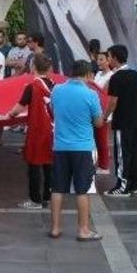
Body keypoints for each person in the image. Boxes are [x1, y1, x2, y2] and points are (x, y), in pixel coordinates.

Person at [48, 60, 104, 241]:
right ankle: (83, 230)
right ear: (88, 74)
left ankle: (55, 228)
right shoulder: (91, 94)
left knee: (57, 188)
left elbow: (53, 111)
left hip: (60, 146)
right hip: (83, 147)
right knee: (83, 189)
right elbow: (98, 122)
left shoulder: (56, 90)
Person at [7, 53, 55, 210]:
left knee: (34, 165)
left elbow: (16, 110)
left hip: (37, 130)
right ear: (48, 68)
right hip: (53, 130)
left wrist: (6, 116)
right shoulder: (54, 85)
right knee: (49, 164)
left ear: (33, 67)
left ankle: (35, 200)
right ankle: (49, 196)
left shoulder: (32, 87)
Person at [103, 45, 137, 197]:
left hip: (123, 121)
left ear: (114, 58)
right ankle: (134, 184)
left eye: (108, 57)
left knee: (122, 153)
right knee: (134, 152)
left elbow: (113, 102)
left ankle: (122, 186)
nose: (108, 60)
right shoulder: (134, 74)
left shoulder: (116, 77)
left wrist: (104, 117)